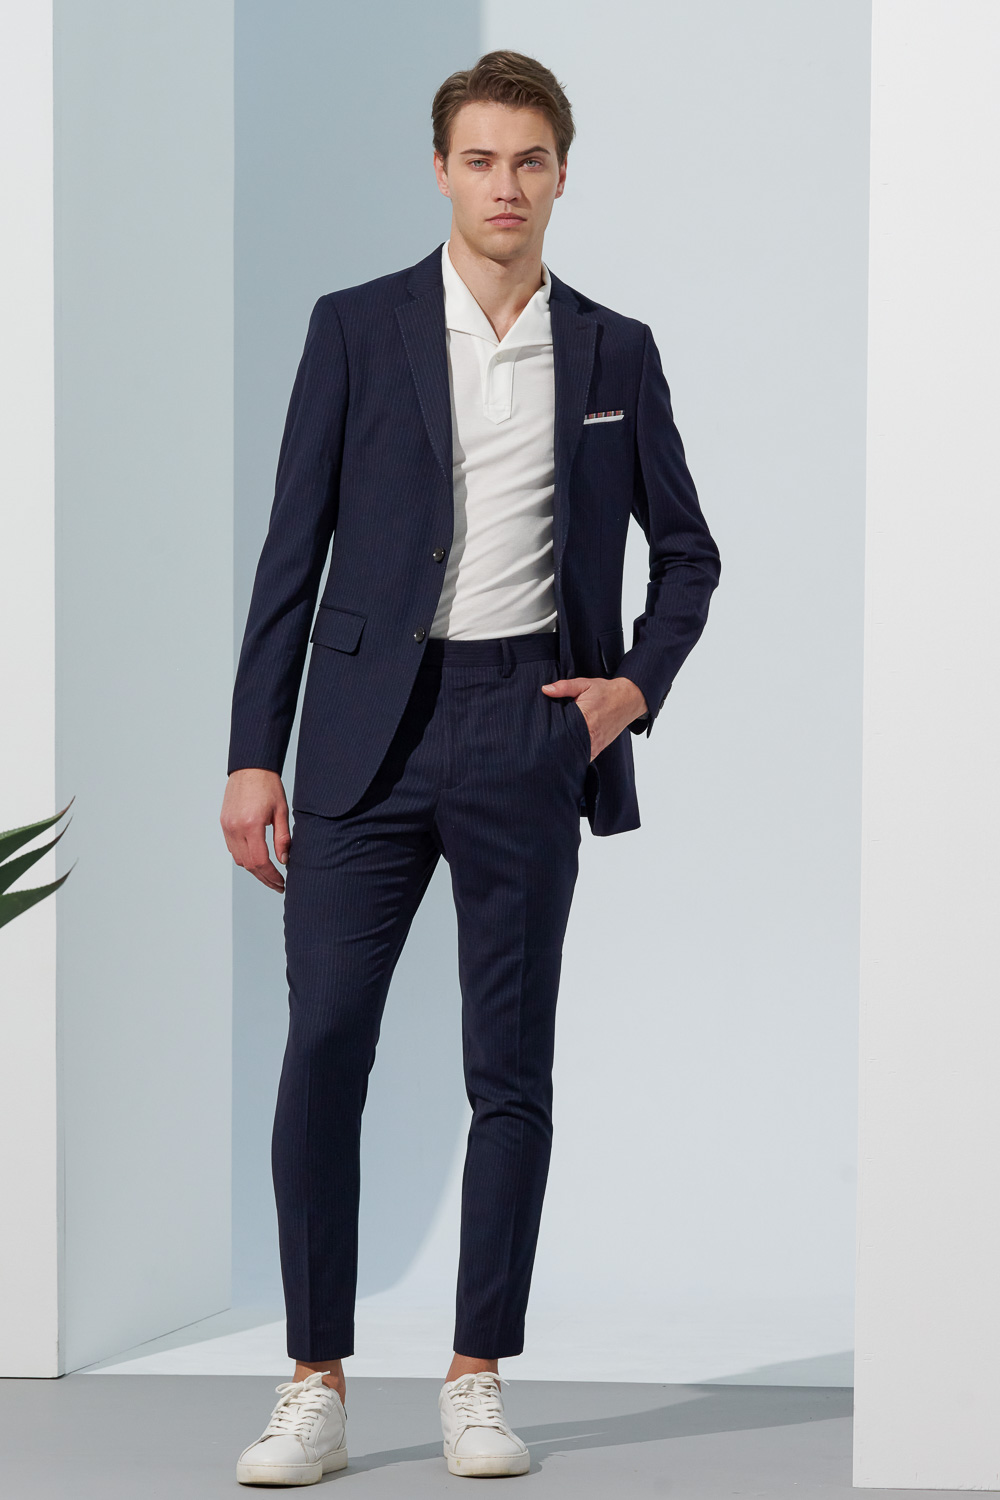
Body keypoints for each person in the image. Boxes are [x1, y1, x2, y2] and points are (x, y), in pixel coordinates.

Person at [221, 48, 721, 1485]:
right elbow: (289, 554)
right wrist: (254, 754)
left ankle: (475, 1377)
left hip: (526, 722)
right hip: (364, 733)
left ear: (562, 176)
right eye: (482, 160)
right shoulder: (356, 327)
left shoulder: (614, 351)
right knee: (325, 1049)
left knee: (510, 1070)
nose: (506, 186)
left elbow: (689, 554)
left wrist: (629, 690)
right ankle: (314, 1382)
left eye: (531, 162)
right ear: (440, 170)